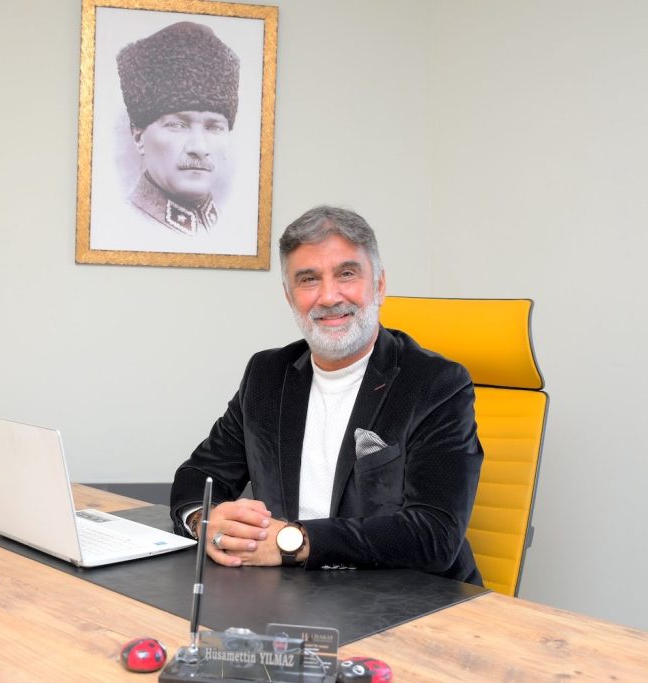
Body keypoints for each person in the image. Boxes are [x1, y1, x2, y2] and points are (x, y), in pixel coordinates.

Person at [169, 206, 484, 583]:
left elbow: (435, 534)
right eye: (308, 279)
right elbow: (200, 473)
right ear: (289, 296)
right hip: (293, 594)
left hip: (410, 599)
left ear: (379, 285)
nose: (329, 296)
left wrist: (292, 542)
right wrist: (205, 520)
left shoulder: (436, 383)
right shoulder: (267, 375)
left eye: (347, 274)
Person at [116, 21, 239, 236]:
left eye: (214, 127)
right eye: (177, 125)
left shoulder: (234, 229)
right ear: (138, 136)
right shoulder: (120, 225)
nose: (199, 147)